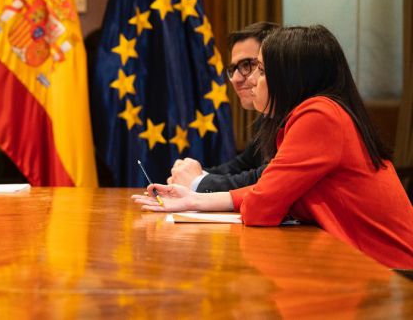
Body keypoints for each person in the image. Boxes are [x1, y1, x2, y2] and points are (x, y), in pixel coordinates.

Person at [133, 25, 413, 268]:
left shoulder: (319, 116)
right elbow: (268, 189)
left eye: (262, 70)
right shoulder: (322, 113)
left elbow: (261, 207)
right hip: (371, 270)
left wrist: (208, 196)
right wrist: (194, 201)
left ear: (291, 78)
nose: (252, 80)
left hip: (392, 278)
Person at [168, 22, 279, 192]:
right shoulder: (267, 119)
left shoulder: (302, 117)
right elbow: (241, 166)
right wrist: (187, 176)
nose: (235, 79)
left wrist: (197, 182)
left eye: (246, 65)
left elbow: (265, 180)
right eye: (233, 69)